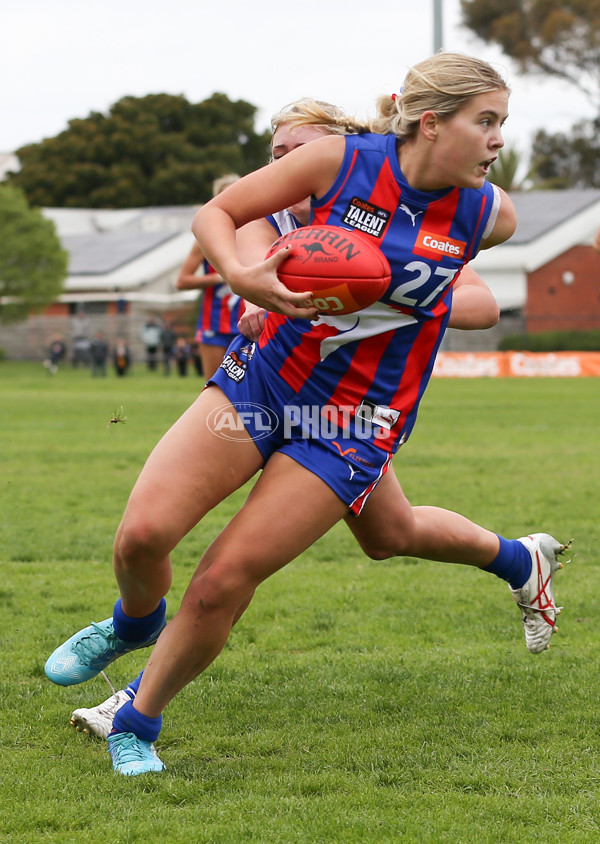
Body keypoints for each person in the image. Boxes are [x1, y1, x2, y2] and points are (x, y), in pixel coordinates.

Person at [46, 56, 569, 776]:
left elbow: (474, 300)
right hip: (263, 382)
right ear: (430, 122)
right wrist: (243, 276)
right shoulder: (338, 162)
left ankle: (136, 720)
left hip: (354, 423)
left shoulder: (489, 213)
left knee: (222, 582)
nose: (498, 140)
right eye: (487, 122)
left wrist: (398, 294)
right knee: (141, 536)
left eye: (500, 124)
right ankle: (133, 624)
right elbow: (219, 214)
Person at [176, 174, 243, 380]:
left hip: (250, 322)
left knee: (253, 390)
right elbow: (182, 280)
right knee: (214, 390)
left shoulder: (262, 231)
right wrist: (219, 278)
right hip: (214, 324)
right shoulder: (206, 237)